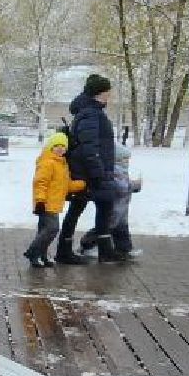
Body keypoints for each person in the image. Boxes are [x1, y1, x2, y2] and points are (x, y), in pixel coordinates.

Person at [56, 74, 118, 264]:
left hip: (89, 171)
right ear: (99, 93)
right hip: (90, 173)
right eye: (107, 92)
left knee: (90, 208)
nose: (109, 96)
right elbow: (89, 147)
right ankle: (68, 252)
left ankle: (72, 250)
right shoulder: (91, 113)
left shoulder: (90, 111)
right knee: (94, 207)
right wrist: (97, 172)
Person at [23, 132, 85, 268]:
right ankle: (33, 252)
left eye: (63, 146)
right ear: (51, 147)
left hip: (55, 204)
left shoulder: (62, 164)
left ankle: (43, 257)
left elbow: (67, 185)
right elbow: (40, 183)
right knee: (52, 229)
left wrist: (83, 184)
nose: (60, 149)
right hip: (45, 203)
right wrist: (40, 200)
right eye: (56, 146)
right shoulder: (48, 163)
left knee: (44, 230)